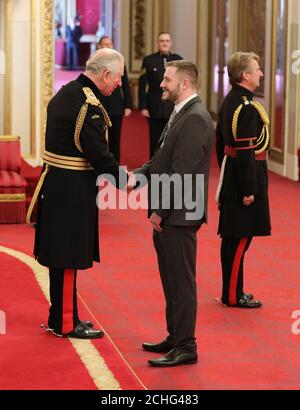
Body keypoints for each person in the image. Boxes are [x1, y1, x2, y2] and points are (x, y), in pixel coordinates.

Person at [27, 48, 128, 339]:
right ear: (105, 74)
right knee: (68, 255)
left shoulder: (67, 93)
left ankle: (59, 315)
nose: (119, 84)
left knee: (60, 256)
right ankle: (66, 322)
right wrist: (126, 180)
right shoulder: (88, 105)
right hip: (72, 190)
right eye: (118, 78)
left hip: (57, 184)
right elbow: (99, 154)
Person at [133, 60, 213, 367]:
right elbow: (160, 161)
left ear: (184, 84)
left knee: (182, 282)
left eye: (167, 79)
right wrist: (135, 177)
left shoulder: (195, 118)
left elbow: (181, 175)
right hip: (171, 215)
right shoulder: (181, 113)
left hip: (179, 216)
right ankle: (175, 336)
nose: (161, 84)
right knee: (171, 279)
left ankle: (186, 346)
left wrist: (160, 212)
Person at [215, 51, 271, 308]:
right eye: (257, 69)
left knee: (236, 238)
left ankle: (234, 289)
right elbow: (247, 151)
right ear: (245, 75)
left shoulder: (231, 100)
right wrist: (249, 188)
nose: (260, 73)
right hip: (245, 176)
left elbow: (219, 143)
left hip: (233, 171)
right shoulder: (245, 107)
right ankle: (232, 295)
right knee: (239, 238)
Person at [138, 32, 182, 158]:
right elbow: (142, 85)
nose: (164, 43)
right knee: (155, 139)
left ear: (171, 43)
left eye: (167, 41)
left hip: (173, 105)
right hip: (154, 105)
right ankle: (153, 167)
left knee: (172, 138)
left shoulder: (178, 59)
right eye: (162, 41)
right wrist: (143, 106)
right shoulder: (148, 60)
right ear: (157, 43)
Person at [97, 36, 132, 162]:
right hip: (98, 104)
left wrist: (128, 105)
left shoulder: (119, 61)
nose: (107, 46)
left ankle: (115, 168)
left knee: (115, 139)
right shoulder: (93, 62)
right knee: (98, 138)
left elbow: (126, 83)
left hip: (115, 105)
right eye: (104, 44)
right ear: (99, 46)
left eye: (110, 44)